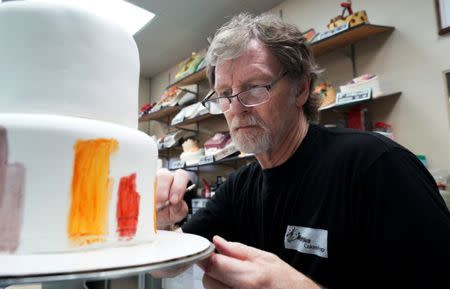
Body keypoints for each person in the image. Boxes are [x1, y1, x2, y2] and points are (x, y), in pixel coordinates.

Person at [155, 13, 450, 289]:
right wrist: (159, 222)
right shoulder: (240, 187)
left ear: (301, 89)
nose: (236, 108)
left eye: (255, 87)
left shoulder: (377, 166)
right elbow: (167, 267)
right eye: (224, 94)